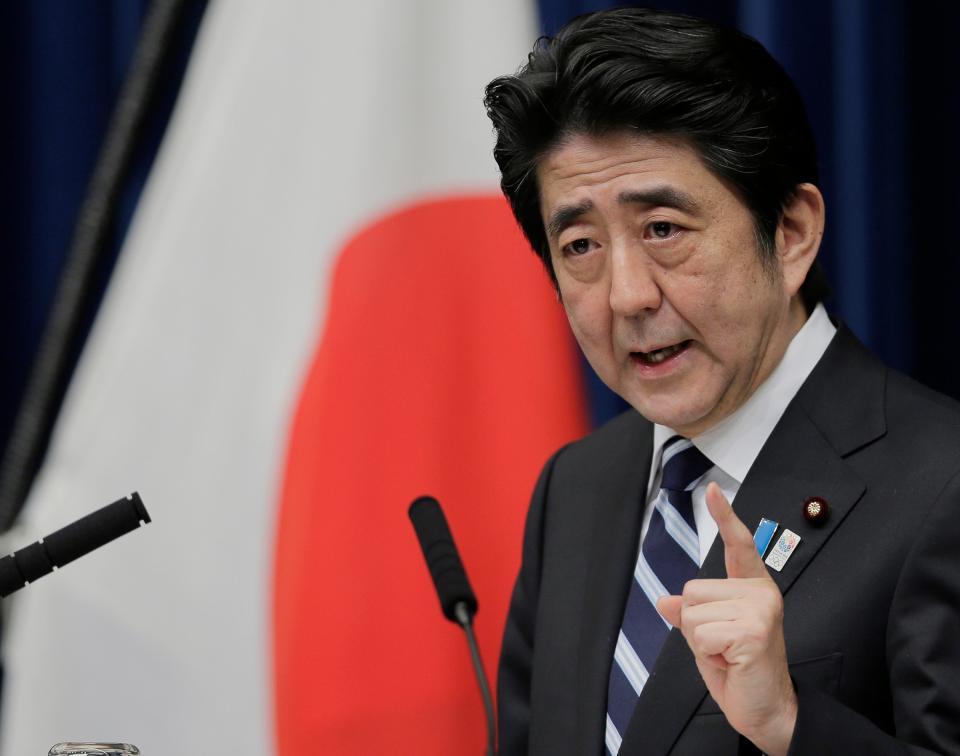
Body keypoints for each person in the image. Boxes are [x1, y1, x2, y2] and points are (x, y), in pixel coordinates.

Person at [483, 8, 960, 756]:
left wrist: (792, 727)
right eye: (580, 246)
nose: (626, 295)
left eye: (663, 230)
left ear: (791, 231)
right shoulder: (577, 487)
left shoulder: (943, 481)